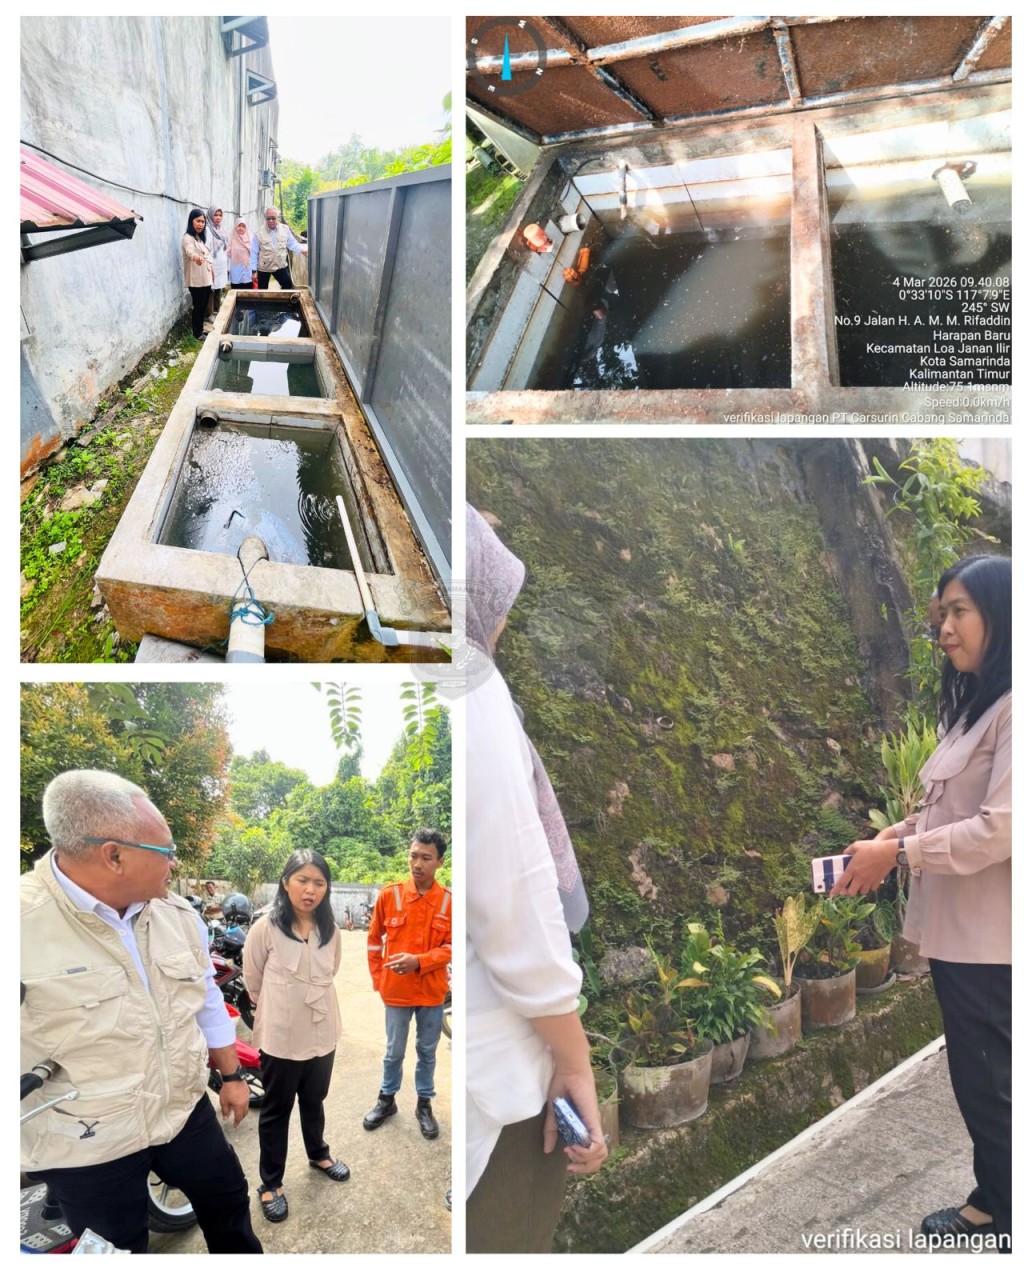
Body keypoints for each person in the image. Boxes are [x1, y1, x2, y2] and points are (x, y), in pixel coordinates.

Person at [833, 554, 1011, 1253]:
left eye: (960, 610)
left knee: (988, 1082)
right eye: (941, 614)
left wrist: (900, 855)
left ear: (1001, 614)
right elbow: (951, 808)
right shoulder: (978, 709)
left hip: (988, 941)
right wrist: (894, 835)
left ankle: (1000, 1212)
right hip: (964, 936)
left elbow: (1001, 828)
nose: (944, 627)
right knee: (986, 1077)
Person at [20, 769, 262, 1254]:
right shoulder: (21, 924)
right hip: (87, 1137)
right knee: (117, 1249)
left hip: (181, 1111)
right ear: (114, 855)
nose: (173, 866)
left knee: (229, 1201)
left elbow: (207, 1000)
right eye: (165, 852)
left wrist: (232, 1076)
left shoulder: (179, 915)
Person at [465, 505, 608, 1253]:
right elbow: (516, 903)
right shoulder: (468, 683)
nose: (505, 622)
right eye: (501, 597)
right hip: (502, 1073)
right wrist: (574, 1059)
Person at [242, 850, 347, 1224]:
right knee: (276, 1110)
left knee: (314, 1099)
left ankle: (319, 1153)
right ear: (286, 882)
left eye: (319, 883)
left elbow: (332, 969)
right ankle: (271, 1183)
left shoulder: (330, 930)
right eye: (303, 880)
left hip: (322, 1032)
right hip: (282, 1037)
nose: (310, 890)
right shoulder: (264, 928)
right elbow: (252, 980)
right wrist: (279, 1007)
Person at [364, 831, 452, 1140]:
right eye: (413, 855)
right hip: (397, 993)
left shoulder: (449, 901)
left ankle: (424, 1104)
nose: (417, 863)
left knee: (427, 1051)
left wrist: (420, 961)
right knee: (393, 1051)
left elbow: (453, 948)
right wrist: (379, 979)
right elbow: (374, 941)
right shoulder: (391, 895)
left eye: (426, 858)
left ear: (440, 862)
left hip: (431, 993)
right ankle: (387, 1100)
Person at [250, 206, 307, 290]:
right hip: (264, 267)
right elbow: (253, 253)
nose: (271, 221)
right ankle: (263, 303)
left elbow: (292, 244)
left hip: (280, 265)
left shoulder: (285, 229)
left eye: (273, 218)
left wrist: (302, 250)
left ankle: (282, 302)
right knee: (262, 291)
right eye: (268, 218)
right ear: (265, 218)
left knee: (287, 284)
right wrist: (254, 271)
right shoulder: (258, 233)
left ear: (278, 218)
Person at [182, 208, 214, 339]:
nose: (201, 224)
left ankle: (200, 329)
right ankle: (197, 334)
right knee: (198, 307)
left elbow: (207, 258)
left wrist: (212, 271)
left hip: (205, 279)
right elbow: (190, 251)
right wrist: (196, 258)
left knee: (203, 306)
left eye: (203, 221)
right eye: (198, 221)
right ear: (191, 221)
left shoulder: (199, 239)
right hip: (195, 280)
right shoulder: (187, 238)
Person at [205, 206, 229, 318]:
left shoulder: (221, 229)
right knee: (211, 288)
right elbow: (207, 247)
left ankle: (217, 309)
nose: (218, 218)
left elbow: (225, 246)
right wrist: (210, 263)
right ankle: (209, 313)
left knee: (218, 287)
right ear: (210, 215)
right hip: (212, 262)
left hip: (221, 263)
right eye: (215, 215)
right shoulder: (207, 229)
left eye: (220, 215)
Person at [228, 219, 253, 289]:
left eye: (243, 226)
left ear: (246, 228)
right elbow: (227, 253)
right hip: (236, 269)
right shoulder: (231, 238)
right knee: (236, 290)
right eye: (239, 226)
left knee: (247, 291)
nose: (241, 228)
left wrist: (255, 271)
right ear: (236, 227)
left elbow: (254, 255)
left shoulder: (251, 238)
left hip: (247, 269)